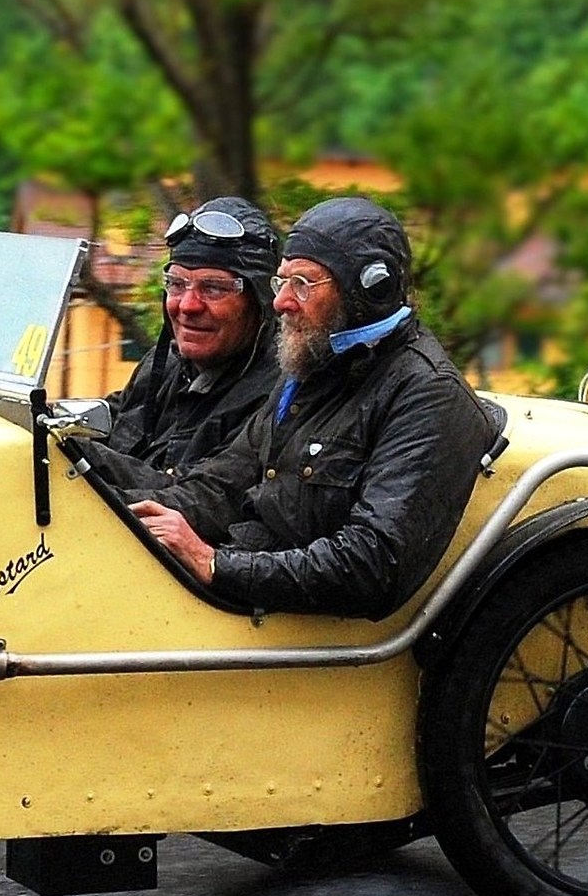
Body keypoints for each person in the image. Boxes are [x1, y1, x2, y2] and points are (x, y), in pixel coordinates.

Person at [123, 196, 501, 619]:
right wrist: (114, 511)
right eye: (281, 282)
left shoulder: (428, 396)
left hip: (282, 626)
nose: (282, 302)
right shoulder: (313, 364)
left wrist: (216, 564)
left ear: (367, 292)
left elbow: (374, 566)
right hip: (242, 596)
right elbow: (220, 485)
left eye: (301, 284)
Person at [80, 197, 283, 486]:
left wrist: (73, 452)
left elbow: (195, 497)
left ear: (260, 300)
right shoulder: (164, 364)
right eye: (177, 284)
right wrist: (41, 423)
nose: (187, 305)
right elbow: (103, 418)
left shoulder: (279, 394)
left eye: (212, 288)